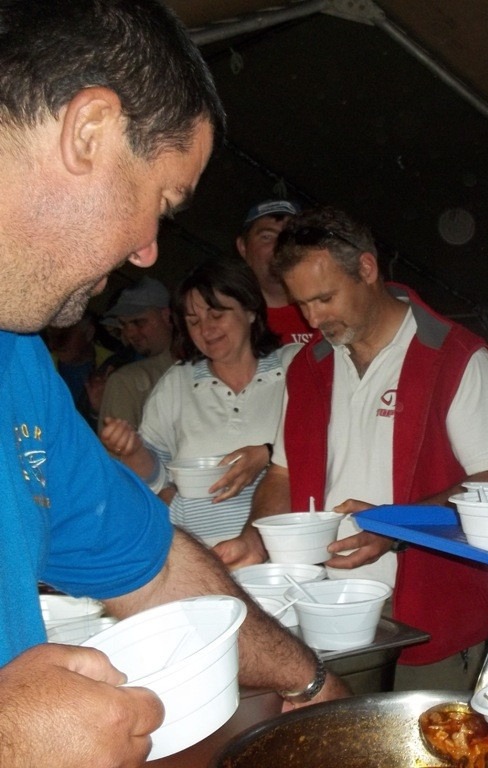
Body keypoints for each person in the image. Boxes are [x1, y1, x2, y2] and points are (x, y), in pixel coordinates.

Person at [0, 2, 348, 765]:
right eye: (159, 200)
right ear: (89, 131)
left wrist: (310, 681)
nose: (149, 252)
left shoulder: (20, 362)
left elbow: (151, 566)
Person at [215, 205, 488, 690]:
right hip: (325, 610)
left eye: (324, 298)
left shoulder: (453, 357)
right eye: (302, 304)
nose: (313, 318)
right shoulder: (309, 367)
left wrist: (396, 525)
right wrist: (259, 538)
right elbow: (283, 474)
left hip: (432, 613)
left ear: (366, 269)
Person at [101, 257, 298, 546]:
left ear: (251, 310)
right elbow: (156, 478)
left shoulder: (293, 366)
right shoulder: (177, 382)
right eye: (193, 321)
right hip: (202, 556)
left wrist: (268, 454)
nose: (206, 330)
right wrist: (131, 451)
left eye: (216, 315)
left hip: (280, 554)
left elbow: (327, 445)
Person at [98, 276, 177, 429]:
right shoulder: (118, 369)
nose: (130, 332)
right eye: (123, 325)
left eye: (138, 322)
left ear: (166, 316)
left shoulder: (202, 362)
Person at [236, 199, 315, 345]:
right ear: (243, 248)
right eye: (267, 237)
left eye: (288, 237)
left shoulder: (326, 311)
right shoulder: (227, 320)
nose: (279, 247)